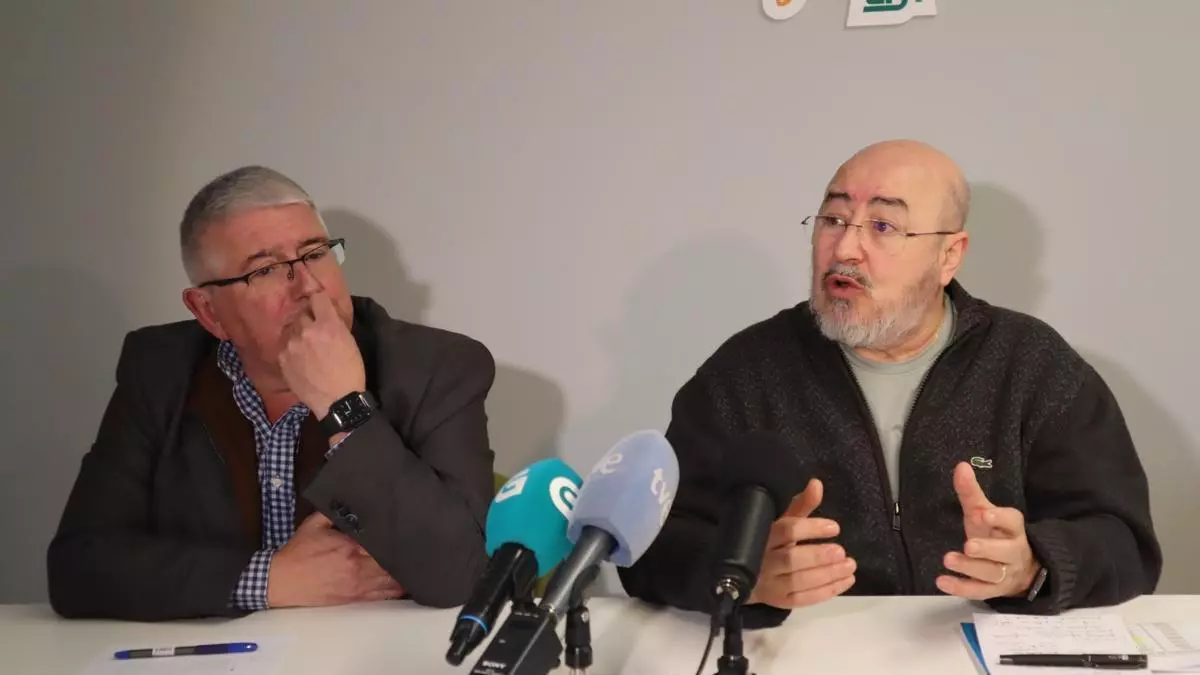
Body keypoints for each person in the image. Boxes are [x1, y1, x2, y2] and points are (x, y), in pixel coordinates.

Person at [618, 140, 1161, 624]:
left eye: (883, 226)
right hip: (810, 653)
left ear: (949, 256)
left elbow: (1124, 541)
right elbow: (651, 545)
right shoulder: (746, 373)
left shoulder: (1030, 364)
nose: (844, 249)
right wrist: (745, 574)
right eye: (834, 219)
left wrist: (1034, 565)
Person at [47, 166, 496, 620]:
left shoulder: (436, 369)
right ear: (208, 311)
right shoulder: (160, 370)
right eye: (264, 270)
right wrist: (271, 579)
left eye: (315, 253)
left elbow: (461, 573)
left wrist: (344, 407)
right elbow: (78, 568)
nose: (309, 286)